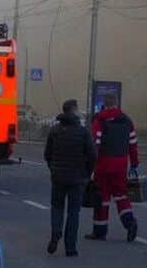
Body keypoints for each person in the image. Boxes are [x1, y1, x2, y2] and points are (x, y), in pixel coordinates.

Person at [44, 99, 96, 257]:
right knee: (74, 212)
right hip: (77, 178)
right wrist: (87, 173)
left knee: (57, 207)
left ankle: (56, 232)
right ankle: (70, 248)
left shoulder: (54, 130)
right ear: (74, 111)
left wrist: (53, 168)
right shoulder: (83, 132)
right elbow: (92, 155)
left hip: (58, 177)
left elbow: (47, 154)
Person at [86, 93, 139, 243]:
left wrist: (90, 166)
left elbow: (94, 144)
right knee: (122, 196)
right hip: (121, 165)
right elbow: (133, 144)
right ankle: (130, 223)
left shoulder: (100, 120)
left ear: (104, 104)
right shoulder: (127, 121)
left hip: (103, 165)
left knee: (102, 198)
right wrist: (134, 163)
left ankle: (100, 231)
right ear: (117, 103)